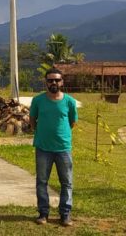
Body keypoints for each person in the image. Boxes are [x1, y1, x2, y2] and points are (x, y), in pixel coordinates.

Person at [30, 67, 77, 227]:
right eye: (50, 80)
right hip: (43, 148)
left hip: (63, 148)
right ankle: (43, 213)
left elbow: (72, 122)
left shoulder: (69, 101)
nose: (54, 82)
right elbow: (32, 120)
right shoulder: (37, 100)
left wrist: (61, 135)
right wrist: (42, 133)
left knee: (67, 182)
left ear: (62, 82)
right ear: (46, 82)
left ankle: (65, 214)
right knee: (42, 181)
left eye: (57, 80)